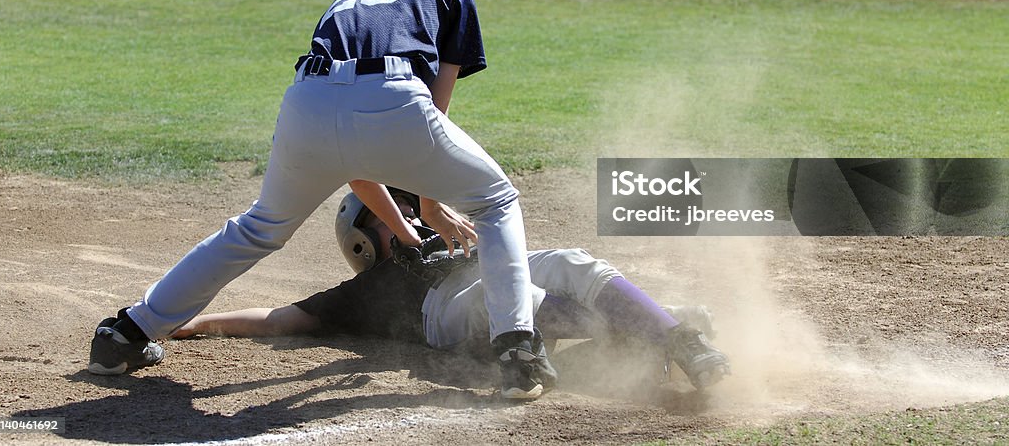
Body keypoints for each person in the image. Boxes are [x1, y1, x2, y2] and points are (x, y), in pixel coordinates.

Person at [88, 0, 557, 401]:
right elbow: (429, 121)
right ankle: (517, 353)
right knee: (496, 201)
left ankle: (125, 334)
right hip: (394, 92)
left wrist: (415, 210)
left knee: (259, 227)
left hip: (306, 102)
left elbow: (354, 159)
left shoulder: (340, 6)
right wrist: (429, 205)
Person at [171, 190, 732, 392]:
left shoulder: (445, 233)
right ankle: (646, 335)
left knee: (569, 261)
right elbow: (277, 319)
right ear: (364, 240)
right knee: (509, 298)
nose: (407, 213)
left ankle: (677, 338)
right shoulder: (364, 292)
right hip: (449, 311)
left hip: (488, 269)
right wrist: (195, 321)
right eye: (389, 213)